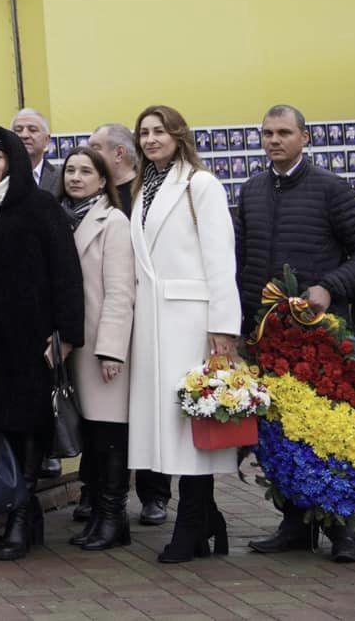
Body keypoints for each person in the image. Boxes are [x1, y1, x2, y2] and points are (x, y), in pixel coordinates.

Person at [236, 103, 355, 563]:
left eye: (283, 132)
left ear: (305, 137)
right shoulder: (252, 190)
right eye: (267, 133)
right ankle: (294, 523)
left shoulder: (331, 189)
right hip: (269, 336)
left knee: (333, 432)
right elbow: (244, 263)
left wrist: (329, 287)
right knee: (280, 434)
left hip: (322, 336)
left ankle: (345, 529)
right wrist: (242, 325)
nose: (274, 140)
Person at [0, 124, 83, 560]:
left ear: (12, 160)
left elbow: (66, 275)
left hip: (32, 341)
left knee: (26, 425)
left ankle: (19, 520)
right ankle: (24, 516)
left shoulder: (39, 207)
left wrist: (65, 336)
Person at [126, 105, 240, 566]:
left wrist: (223, 327)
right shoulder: (143, 188)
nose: (151, 139)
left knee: (195, 423)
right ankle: (206, 516)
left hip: (191, 320)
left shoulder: (201, 184)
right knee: (171, 426)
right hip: (155, 322)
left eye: (159, 131)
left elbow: (220, 257)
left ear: (178, 135)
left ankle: (192, 522)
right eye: (144, 133)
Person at [90, 120, 172, 527]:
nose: (87, 158)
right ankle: (104, 494)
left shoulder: (145, 192)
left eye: (95, 148)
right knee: (112, 412)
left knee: (149, 404)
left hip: (150, 314)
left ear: (118, 154)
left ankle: (155, 494)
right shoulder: (98, 196)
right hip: (112, 318)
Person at [59, 146, 134, 552]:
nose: (75, 177)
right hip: (70, 345)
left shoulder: (113, 221)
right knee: (90, 434)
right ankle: (103, 518)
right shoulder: (61, 218)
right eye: (70, 170)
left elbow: (121, 292)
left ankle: (112, 515)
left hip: (101, 347)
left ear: (103, 180)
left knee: (109, 436)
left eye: (85, 171)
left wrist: (112, 349)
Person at [12, 108, 60, 197]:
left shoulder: (61, 177)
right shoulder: (1, 176)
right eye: (18, 130)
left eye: (32, 130)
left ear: (47, 140)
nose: (24, 135)